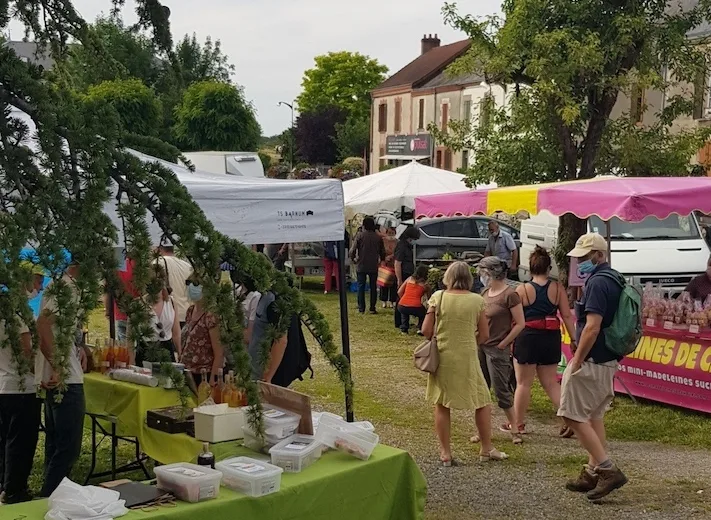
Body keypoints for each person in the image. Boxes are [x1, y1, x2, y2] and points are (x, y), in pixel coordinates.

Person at [561, 233, 627, 500]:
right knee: (594, 415)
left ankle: (607, 469)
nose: (579, 263)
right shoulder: (614, 277)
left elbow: (592, 326)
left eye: (584, 258)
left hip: (592, 359)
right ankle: (591, 472)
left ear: (598, 255)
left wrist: (577, 360)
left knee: (571, 414)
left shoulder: (598, 283)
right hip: (607, 358)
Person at [421, 261, 507, 466]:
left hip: (443, 356)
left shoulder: (438, 297)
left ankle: (445, 453)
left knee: (442, 403)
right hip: (468, 355)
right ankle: (486, 448)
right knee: (482, 400)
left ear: (448, 277)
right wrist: (470, 342)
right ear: (469, 278)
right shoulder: (477, 301)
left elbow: (426, 330)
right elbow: (485, 334)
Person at [512, 246, 576, 437]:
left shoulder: (521, 289)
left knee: (523, 383)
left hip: (528, 338)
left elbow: (513, 317)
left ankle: (518, 424)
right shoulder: (557, 289)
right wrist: (573, 338)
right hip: (550, 337)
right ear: (549, 268)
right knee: (550, 383)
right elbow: (566, 314)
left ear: (530, 269)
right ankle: (571, 420)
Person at [35, 257, 85, 497]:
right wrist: (58, 366)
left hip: (62, 375)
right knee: (68, 447)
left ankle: (52, 496)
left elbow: (55, 329)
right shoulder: (68, 287)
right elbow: (43, 325)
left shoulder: (62, 285)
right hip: (67, 380)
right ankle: (50, 495)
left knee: (56, 443)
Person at [0, 263, 44, 504]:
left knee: (5, 438)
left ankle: (4, 484)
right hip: (21, 386)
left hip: (4, 383)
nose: (39, 287)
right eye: (37, 281)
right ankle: (15, 489)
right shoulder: (18, 314)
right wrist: (44, 372)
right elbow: (26, 353)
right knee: (21, 441)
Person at [474, 256, 525, 445]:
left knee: (502, 389)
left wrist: (504, 343)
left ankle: (514, 428)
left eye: (482, 272)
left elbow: (520, 323)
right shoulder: (485, 292)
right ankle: (481, 431)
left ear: (490, 273)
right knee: (481, 389)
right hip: (482, 346)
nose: (480, 276)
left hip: (497, 349)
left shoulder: (510, 295)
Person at [180, 275, 224, 387]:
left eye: (195, 284)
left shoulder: (211, 315)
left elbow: (219, 353)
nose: (191, 287)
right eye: (188, 283)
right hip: (187, 373)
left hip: (204, 375)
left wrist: (212, 382)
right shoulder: (190, 311)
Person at [139, 267, 181, 364]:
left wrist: (179, 352)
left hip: (166, 350)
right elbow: (131, 336)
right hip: (145, 350)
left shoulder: (172, 303)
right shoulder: (139, 304)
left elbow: (176, 332)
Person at [349, 216, 385, 314]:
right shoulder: (378, 237)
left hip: (362, 264)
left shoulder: (360, 236)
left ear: (364, 225)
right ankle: (372, 308)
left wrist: (353, 259)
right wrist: (382, 260)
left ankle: (361, 308)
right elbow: (382, 252)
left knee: (361, 286)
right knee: (373, 287)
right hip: (373, 265)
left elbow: (352, 250)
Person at [155, 244, 193, 328]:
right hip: (185, 313)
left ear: (159, 248)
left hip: (166, 314)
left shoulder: (156, 264)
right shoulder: (187, 266)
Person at [394, 227, 421, 328]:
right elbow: (397, 263)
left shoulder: (407, 246)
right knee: (400, 299)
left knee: (404, 299)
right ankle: (399, 322)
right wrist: (399, 279)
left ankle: (403, 321)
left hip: (407, 274)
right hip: (403, 275)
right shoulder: (402, 246)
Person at [397, 264, 429, 334]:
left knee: (404, 313)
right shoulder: (425, 285)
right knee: (423, 313)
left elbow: (399, 292)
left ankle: (404, 328)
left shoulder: (409, 279)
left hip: (402, 305)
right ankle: (420, 328)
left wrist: (404, 300)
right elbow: (429, 298)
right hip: (416, 306)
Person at [379, 227, 398, 308]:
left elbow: (398, 252)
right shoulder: (382, 241)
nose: (390, 235)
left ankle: (392, 300)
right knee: (384, 283)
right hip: (385, 264)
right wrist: (384, 258)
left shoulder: (397, 242)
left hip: (394, 264)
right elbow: (380, 251)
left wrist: (392, 256)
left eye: (392, 233)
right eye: (389, 233)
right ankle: (384, 300)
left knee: (393, 284)